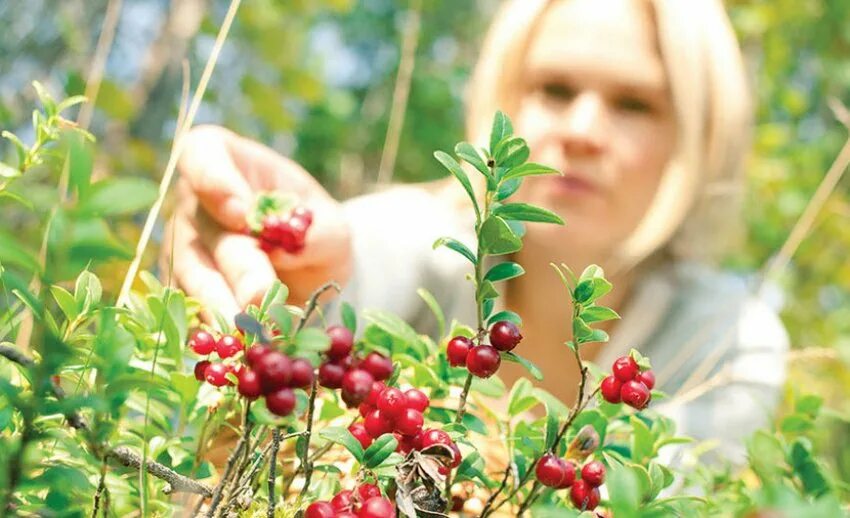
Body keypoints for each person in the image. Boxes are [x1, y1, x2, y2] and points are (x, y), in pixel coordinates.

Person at [165, 0, 788, 461]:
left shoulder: (728, 342)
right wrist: (280, 271)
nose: (583, 131)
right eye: (554, 88)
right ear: (504, 103)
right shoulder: (423, 241)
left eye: (635, 104)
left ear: (700, 139)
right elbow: (330, 287)